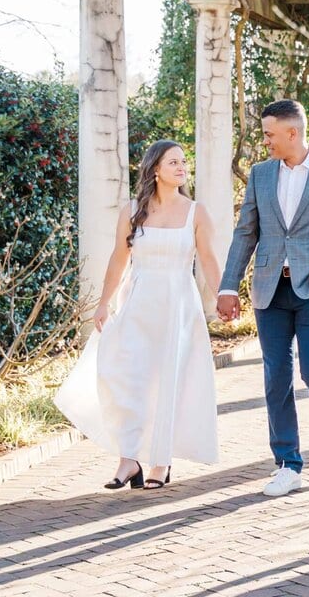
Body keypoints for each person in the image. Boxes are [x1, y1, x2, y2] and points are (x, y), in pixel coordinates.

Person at [55, 140, 222, 490]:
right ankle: (128, 459)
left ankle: (161, 461)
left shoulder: (196, 212)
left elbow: (208, 259)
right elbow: (120, 258)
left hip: (178, 307)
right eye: (173, 162)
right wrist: (104, 303)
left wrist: (224, 297)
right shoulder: (132, 211)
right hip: (138, 301)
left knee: (169, 381)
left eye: (183, 162)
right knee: (129, 377)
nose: (181, 167)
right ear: (155, 169)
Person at [217, 100, 309, 497]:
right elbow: (245, 233)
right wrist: (228, 286)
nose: (265, 141)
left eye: (269, 134)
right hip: (269, 290)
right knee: (275, 378)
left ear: (292, 133)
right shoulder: (260, 174)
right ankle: (288, 464)